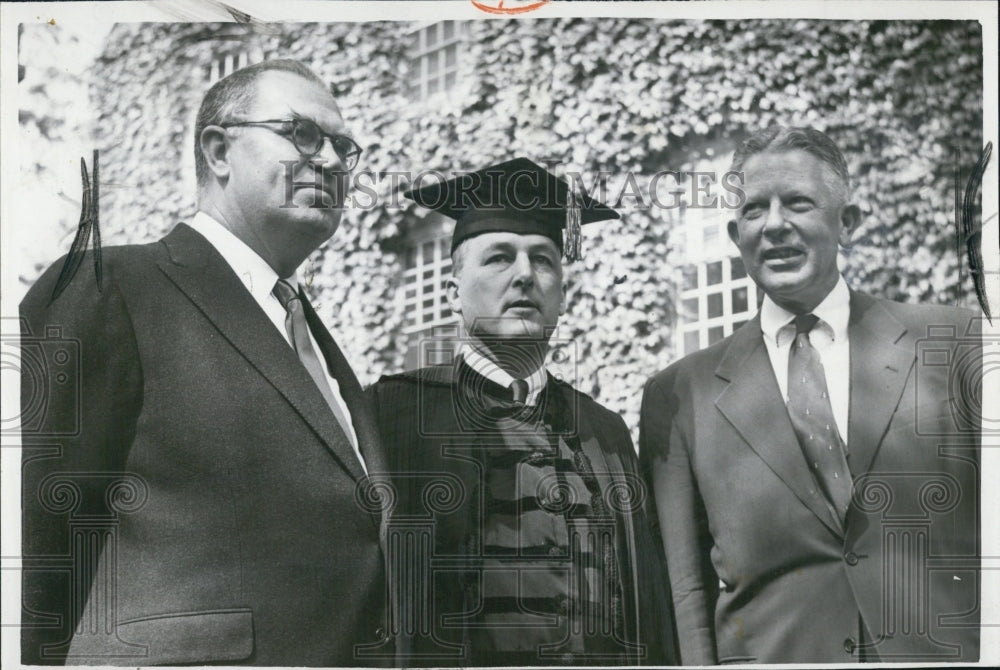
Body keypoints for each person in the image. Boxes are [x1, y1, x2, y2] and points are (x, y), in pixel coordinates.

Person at [19, 59, 393, 666]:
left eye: (342, 146)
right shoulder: (104, 288)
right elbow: (37, 539)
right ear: (219, 150)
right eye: (301, 133)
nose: (328, 159)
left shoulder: (315, 339)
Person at [640, 126, 981, 663]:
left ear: (847, 223)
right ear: (736, 236)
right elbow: (685, 589)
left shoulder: (955, 344)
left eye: (798, 202)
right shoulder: (680, 394)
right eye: (754, 211)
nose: (774, 225)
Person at [369, 158, 677, 666]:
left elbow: (647, 606)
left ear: (561, 294)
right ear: (453, 294)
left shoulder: (605, 433)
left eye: (543, 259)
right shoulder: (393, 416)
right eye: (498, 258)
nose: (524, 276)